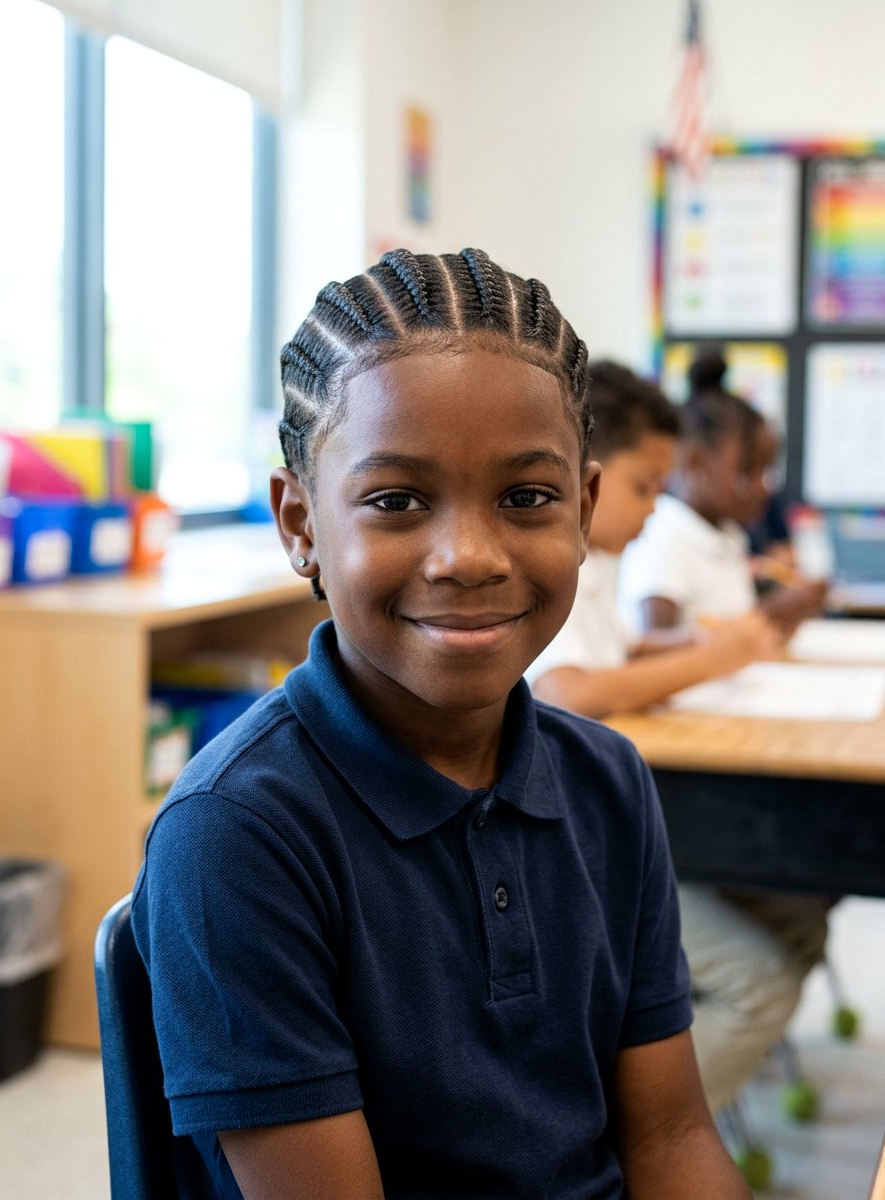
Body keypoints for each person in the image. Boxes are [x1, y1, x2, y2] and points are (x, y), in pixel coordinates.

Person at [132, 249, 751, 1199]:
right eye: (396, 501)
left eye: (525, 498)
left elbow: (669, 1140)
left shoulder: (608, 782)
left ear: (584, 512)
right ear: (300, 524)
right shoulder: (236, 836)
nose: (467, 556)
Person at [526, 360, 822, 1117]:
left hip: (614, 830)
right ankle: (635, 1148)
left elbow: (616, 652)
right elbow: (569, 690)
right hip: (575, 852)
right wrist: (709, 656)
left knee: (805, 905)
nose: (655, 511)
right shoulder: (564, 565)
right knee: (760, 979)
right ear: (581, 477)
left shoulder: (597, 568)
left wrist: (700, 643)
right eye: (643, 488)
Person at [619, 349, 827, 639]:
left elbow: (738, 632)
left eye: (767, 472)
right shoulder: (664, 533)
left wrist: (790, 612)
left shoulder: (730, 534)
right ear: (695, 462)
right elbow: (652, 641)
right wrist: (773, 612)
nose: (763, 486)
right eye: (747, 472)